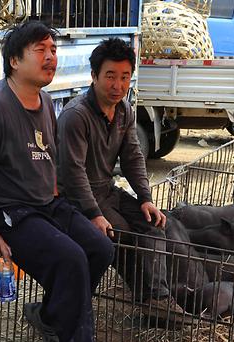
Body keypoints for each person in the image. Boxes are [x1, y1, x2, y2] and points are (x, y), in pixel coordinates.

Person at [0, 21, 117, 342]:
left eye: (53, 50)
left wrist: (70, 203)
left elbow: (48, 156)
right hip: (12, 212)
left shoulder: (44, 99)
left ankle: (47, 316)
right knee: (70, 259)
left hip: (47, 204)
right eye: (40, 50)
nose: (51, 57)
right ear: (14, 60)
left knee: (99, 248)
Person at [57, 37, 173, 317]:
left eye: (125, 77)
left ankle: (159, 297)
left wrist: (145, 198)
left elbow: (133, 156)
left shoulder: (124, 111)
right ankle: (145, 300)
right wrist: (94, 213)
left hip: (108, 191)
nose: (118, 86)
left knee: (153, 225)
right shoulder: (76, 115)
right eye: (110, 76)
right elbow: (73, 173)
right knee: (122, 233)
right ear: (94, 75)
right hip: (77, 198)